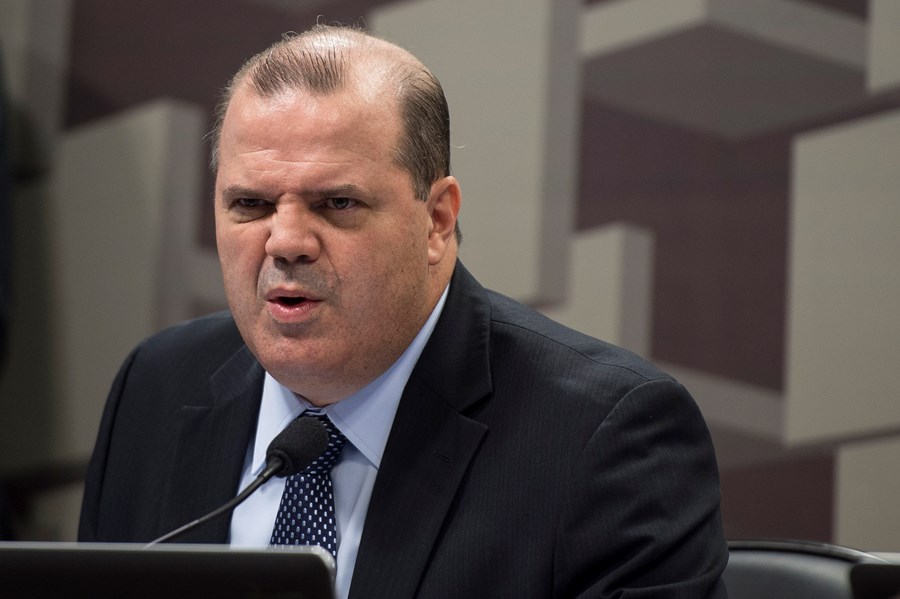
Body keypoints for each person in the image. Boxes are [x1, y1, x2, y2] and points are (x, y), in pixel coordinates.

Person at [79, 24, 728, 598]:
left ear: (437, 220)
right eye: (251, 205)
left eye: (337, 204)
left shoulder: (603, 437)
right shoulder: (157, 388)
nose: (285, 242)